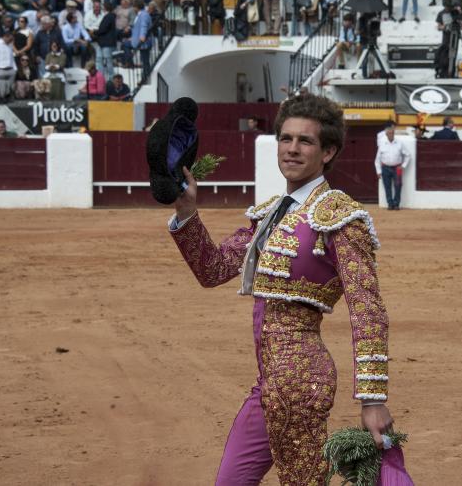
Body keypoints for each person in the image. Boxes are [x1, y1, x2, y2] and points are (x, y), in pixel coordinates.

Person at [168, 93, 393, 485]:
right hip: (269, 380)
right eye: (285, 139)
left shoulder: (340, 217)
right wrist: (186, 212)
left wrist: (372, 400)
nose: (292, 149)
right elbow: (213, 268)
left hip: (302, 380)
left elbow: (367, 310)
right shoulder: (272, 211)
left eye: (305, 141)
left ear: (328, 152)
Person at [375, 123, 411, 210]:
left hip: (397, 168)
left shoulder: (399, 143)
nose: (391, 135)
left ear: (394, 134)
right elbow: (377, 159)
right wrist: (379, 171)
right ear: (386, 134)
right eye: (389, 133)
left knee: (398, 186)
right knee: (387, 186)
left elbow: (408, 155)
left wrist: (403, 166)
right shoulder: (382, 144)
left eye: (392, 133)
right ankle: (390, 204)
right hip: (385, 167)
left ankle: (396, 204)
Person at [125, 0, 152, 78]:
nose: (133, 8)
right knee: (144, 60)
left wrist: (142, 36)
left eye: (134, 6)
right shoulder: (140, 14)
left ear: (136, 7)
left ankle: (145, 77)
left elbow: (144, 26)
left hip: (144, 41)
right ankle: (130, 63)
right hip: (138, 40)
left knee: (145, 60)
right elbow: (138, 26)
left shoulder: (143, 14)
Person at [94, 1, 117, 82]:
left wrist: (94, 32)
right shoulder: (109, 16)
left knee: (108, 61)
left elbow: (103, 29)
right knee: (99, 59)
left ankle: (111, 79)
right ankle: (101, 78)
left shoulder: (109, 16)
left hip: (107, 43)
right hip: (102, 43)